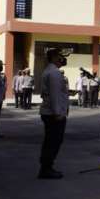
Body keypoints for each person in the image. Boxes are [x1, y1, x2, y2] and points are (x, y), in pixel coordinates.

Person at [38, 47, 70, 179]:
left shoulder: (50, 71)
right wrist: (58, 113)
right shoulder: (54, 73)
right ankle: (46, 169)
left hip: (49, 112)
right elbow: (55, 95)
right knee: (53, 142)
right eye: (60, 56)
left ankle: (46, 167)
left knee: (50, 141)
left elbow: (53, 92)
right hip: (53, 114)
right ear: (54, 58)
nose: (62, 58)